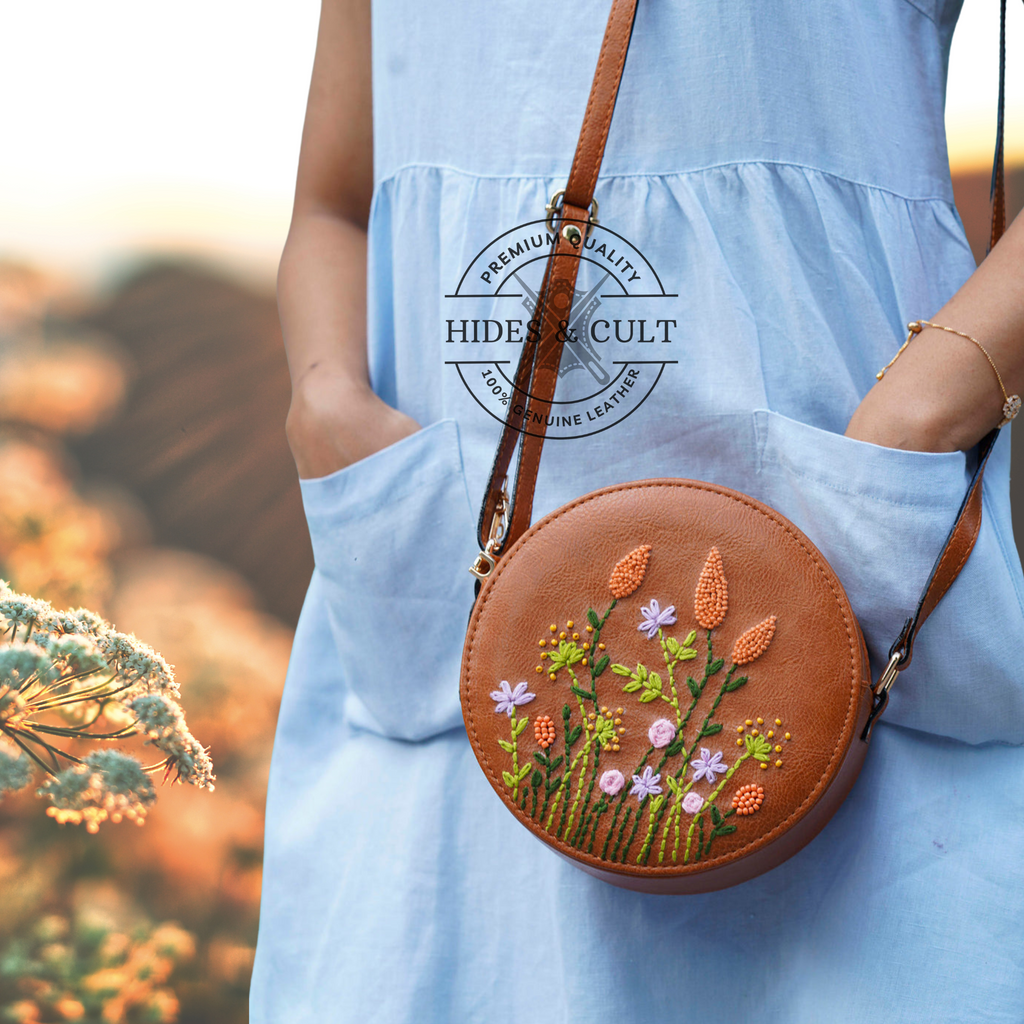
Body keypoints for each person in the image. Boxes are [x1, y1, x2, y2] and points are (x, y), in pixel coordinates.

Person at [251, 1, 1024, 1020]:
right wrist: (327, 403)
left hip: (851, 563)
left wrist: (915, 415)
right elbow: (333, 202)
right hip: (439, 579)